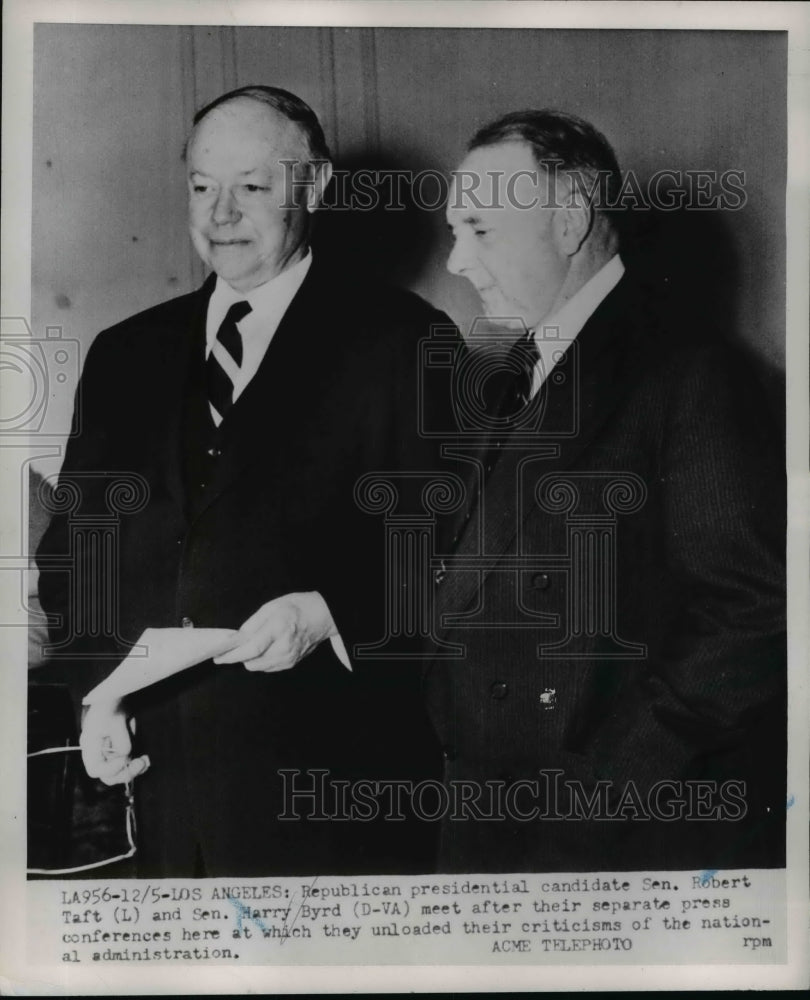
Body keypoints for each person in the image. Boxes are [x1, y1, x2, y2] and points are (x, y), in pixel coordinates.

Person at [35, 86, 450, 877]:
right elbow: (72, 556)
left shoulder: (406, 343)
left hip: (332, 793)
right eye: (201, 186)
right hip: (152, 793)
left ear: (315, 188)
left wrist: (332, 613)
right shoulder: (125, 355)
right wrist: (97, 694)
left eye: (253, 187)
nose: (220, 213)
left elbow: (452, 556)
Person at [426, 110, 786, 872]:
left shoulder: (692, 371)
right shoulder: (513, 372)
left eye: (481, 230)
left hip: (609, 836)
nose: (458, 260)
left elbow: (753, 615)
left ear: (570, 218)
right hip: (491, 816)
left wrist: (604, 787)